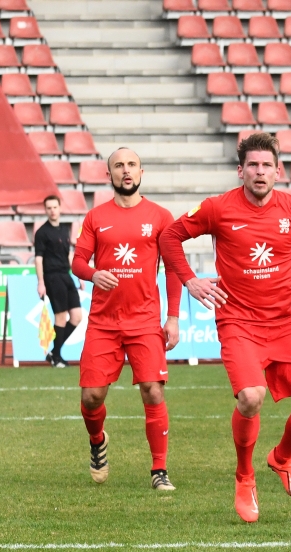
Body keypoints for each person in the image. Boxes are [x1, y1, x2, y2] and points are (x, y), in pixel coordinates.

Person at [159, 132, 291, 523]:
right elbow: (169, 235)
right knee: (251, 397)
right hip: (237, 320)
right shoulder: (218, 208)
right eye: (252, 165)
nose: (260, 172)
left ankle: (282, 458)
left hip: (284, 323)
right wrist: (190, 279)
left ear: (278, 171)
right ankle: (244, 475)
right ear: (241, 171)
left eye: (266, 166)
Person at [70, 148, 181, 491]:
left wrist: (173, 317)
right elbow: (77, 261)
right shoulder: (95, 217)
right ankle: (97, 440)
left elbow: (174, 268)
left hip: (145, 322)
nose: (126, 170)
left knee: (152, 391)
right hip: (103, 322)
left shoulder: (161, 217)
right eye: (119, 166)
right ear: (110, 175)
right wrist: (92, 274)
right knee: (91, 398)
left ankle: (159, 471)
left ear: (141, 172)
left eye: (131, 165)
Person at [34, 194, 83, 368]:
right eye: (49, 208)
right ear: (45, 210)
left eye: (55, 207)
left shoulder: (64, 229)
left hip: (66, 275)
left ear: (60, 208)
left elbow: (69, 255)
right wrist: (41, 282)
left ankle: (54, 353)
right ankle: (57, 357)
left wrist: (78, 275)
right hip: (53, 277)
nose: (52, 211)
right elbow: (38, 259)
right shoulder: (42, 233)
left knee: (77, 316)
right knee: (61, 316)